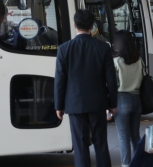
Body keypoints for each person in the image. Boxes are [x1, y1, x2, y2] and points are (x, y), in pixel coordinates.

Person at [55, 9, 118, 167]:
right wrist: (113, 103)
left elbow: (60, 80)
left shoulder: (64, 49)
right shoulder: (103, 48)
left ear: (75, 25)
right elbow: (111, 79)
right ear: (92, 26)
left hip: (74, 104)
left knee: (80, 145)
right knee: (101, 144)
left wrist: (59, 106)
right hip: (98, 103)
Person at [112, 30, 143, 167]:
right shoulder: (139, 60)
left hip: (121, 99)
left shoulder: (116, 61)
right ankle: (138, 163)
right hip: (137, 100)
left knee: (123, 137)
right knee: (135, 135)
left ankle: (126, 164)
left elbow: (114, 84)